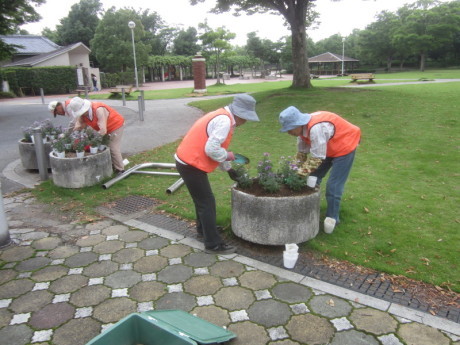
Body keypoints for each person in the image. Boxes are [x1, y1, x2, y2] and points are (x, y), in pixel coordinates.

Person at [175, 94, 260, 254]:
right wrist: (228, 157)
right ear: (239, 113)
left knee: (201, 201)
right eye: (246, 117)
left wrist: (228, 169)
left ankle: (204, 230)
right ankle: (213, 244)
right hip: (190, 164)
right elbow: (212, 149)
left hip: (186, 160)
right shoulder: (225, 121)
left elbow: (216, 146)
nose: (246, 121)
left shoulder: (222, 115)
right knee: (207, 202)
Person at [279, 106, 361, 234]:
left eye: (290, 129)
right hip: (327, 145)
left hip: (345, 144)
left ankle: (333, 218)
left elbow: (316, 159)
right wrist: (292, 170)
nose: (288, 132)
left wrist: (299, 174)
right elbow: (302, 154)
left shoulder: (316, 129)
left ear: (298, 124)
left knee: (333, 185)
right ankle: (309, 207)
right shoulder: (301, 132)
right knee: (314, 177)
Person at [69, 97, 125, 174]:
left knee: (112, 147)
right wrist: (75, 136)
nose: (81, 114)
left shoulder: (99, 110)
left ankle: (120, 169)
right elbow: (79, 125)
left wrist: (92, 141)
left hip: (115, 125)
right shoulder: (83, 115)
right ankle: (111, 164)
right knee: (102, 146)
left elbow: (103, 130)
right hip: (104, 128)